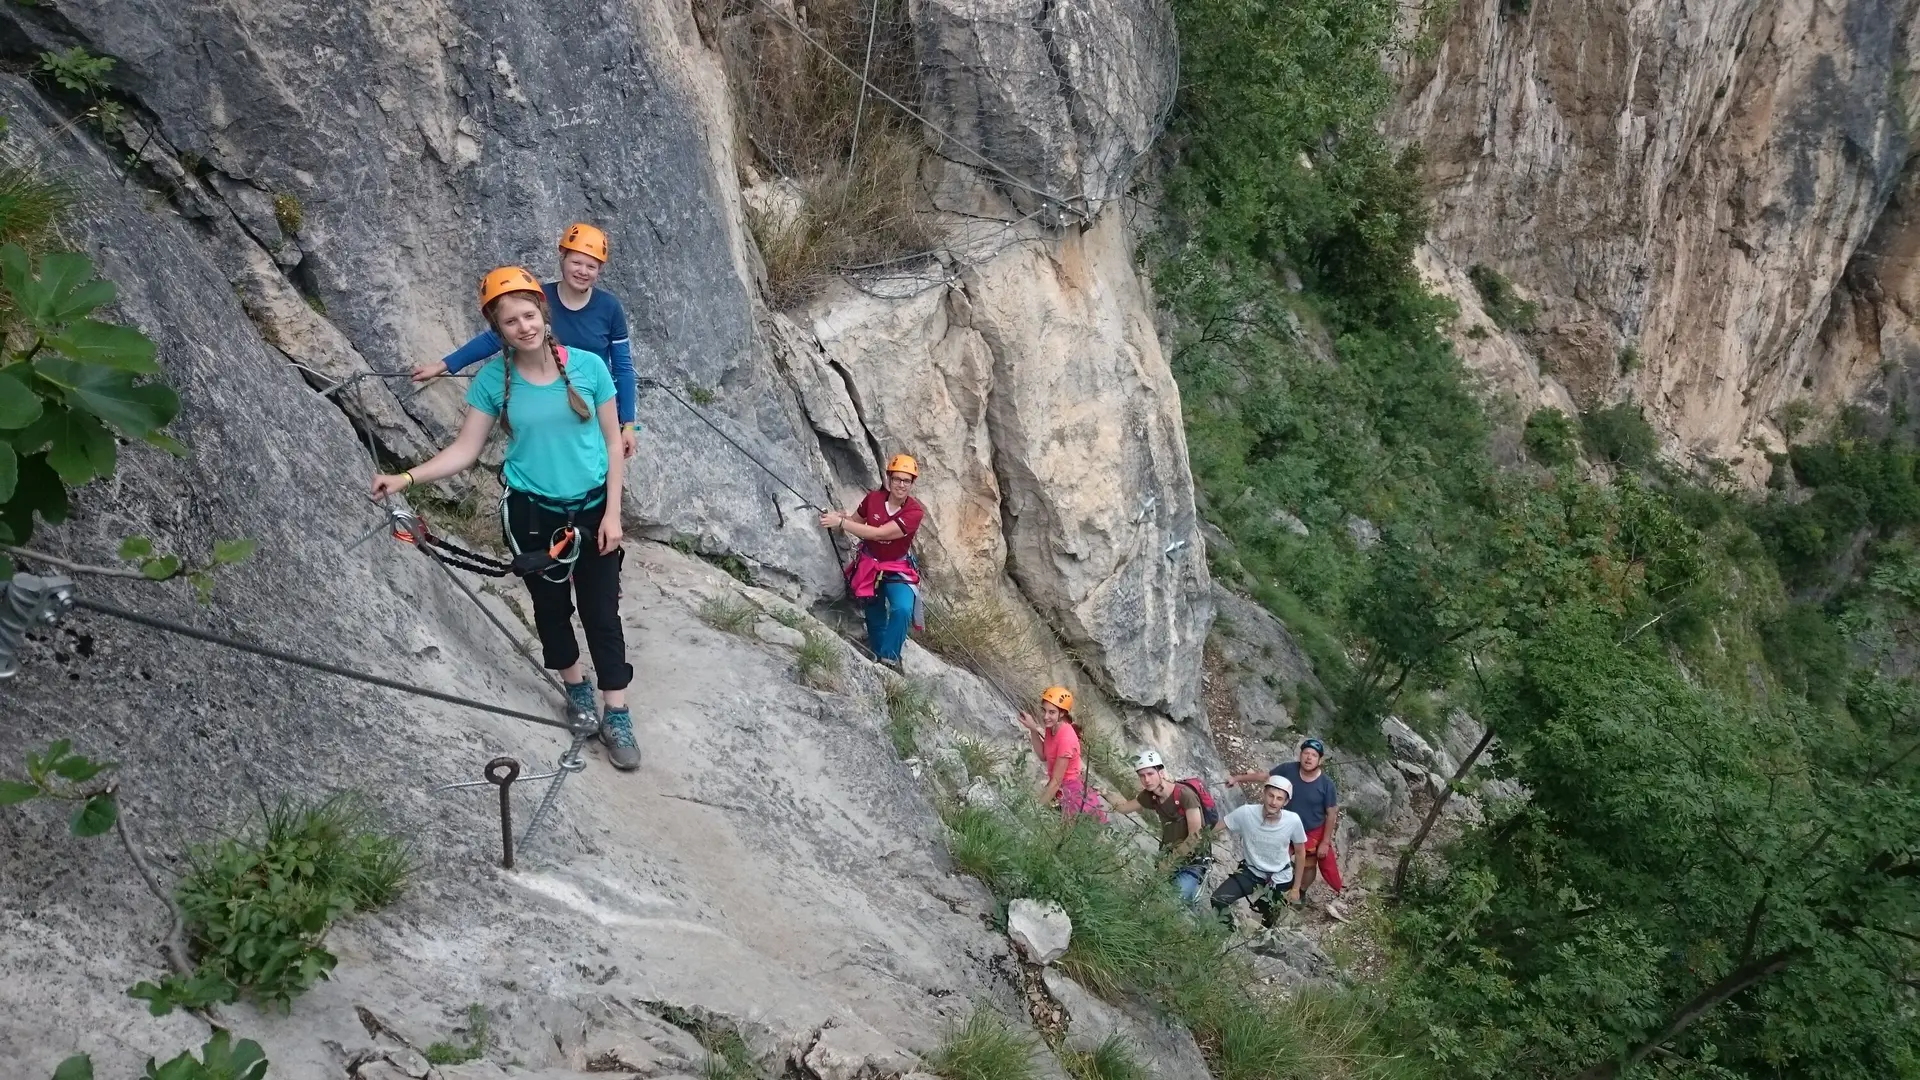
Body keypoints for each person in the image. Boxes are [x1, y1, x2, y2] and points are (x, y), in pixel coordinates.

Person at [374, 267, 639, 771]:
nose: (524, 326)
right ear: (498, 331)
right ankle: (576, 688)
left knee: (602, 613)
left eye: (529, 314)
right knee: (551, 608)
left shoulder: (587, 367)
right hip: (531, 512)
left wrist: (613, 514)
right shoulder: (494, 379)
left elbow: (612, 444)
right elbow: (465, 451)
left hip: (590, 510)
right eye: (510, 321)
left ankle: (617, 710)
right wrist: (406, 479)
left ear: (544, 313)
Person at [412, 224, 640, 460]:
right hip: (547, 404)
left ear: (599, 270)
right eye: (576, 263)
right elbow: (496, 336)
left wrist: (629, 424)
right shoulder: (539, 298)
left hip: (595, 406)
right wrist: (443, 366)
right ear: (562, 259)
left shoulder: (609, 308)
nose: (583, 271)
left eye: (591, 266)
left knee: (599, 471)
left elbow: (623, 368)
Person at [822, 454, 924, 670]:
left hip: (896, 567)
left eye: (906, 481)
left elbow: (878, 534)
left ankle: (889, 657)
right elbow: (855, 522)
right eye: (897, 479)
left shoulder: (914, 512)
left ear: (912, 483)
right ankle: (879, 659)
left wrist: (842, 523)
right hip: (870, 565)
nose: (901, 485)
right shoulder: (873, 500)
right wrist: (839, 519)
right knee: (874, 614)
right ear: (889, 479)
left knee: (903, 608)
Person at [1229, 737, 1345, 919]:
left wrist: (1325, 841)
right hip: (1285, 825)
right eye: (1306, 753)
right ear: (1300, 755)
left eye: (1313, 755)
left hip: (1311, 830)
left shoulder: (1326, 784)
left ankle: (1301, 890)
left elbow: (1331, 813)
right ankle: (1269, 889)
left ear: (1320, 760)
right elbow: (1265, 777)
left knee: (1307, 864)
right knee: (1277, 859)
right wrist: (1238, 778)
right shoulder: (1287, 769)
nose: (1308, 758)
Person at [1109, 750, 1212, 903]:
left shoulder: (1185, 795)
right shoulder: (1150, 796)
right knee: (1159, 898)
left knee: (1173, 901)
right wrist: (1104, 792)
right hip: (1168, 854)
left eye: (1150, 774)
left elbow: (1195, 837)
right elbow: (1124, 807)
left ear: (1161, 772)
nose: (1146, 780)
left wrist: (1170, 862)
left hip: (1192, 862)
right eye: (1142, 776)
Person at [1210, 775, 1307, 929]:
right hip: (1251, 872)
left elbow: (1301, 853)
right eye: (1271, 795)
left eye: (1279, 798)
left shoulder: (1293, 821)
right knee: (1219, 899)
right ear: (1264, 793)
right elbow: (1218, 827)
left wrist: (1296, 888)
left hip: (1279, 878)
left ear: (1286, 802)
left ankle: (1263, 944)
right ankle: (1228, 934)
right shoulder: (1246, 813)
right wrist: (1197, 840)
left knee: (1268, 918)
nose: (1273, 802)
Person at [1016, 686, 1108, 822]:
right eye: (1044, 710)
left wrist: (1035, 811)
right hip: (1062, 792)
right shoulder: (1051, 727)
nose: (1046, 716)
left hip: (1073, 796)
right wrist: (1033, 729)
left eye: (1051, 712)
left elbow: (1057, 782)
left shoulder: (1066, 739)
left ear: (1062, 713)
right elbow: (1043, 756)